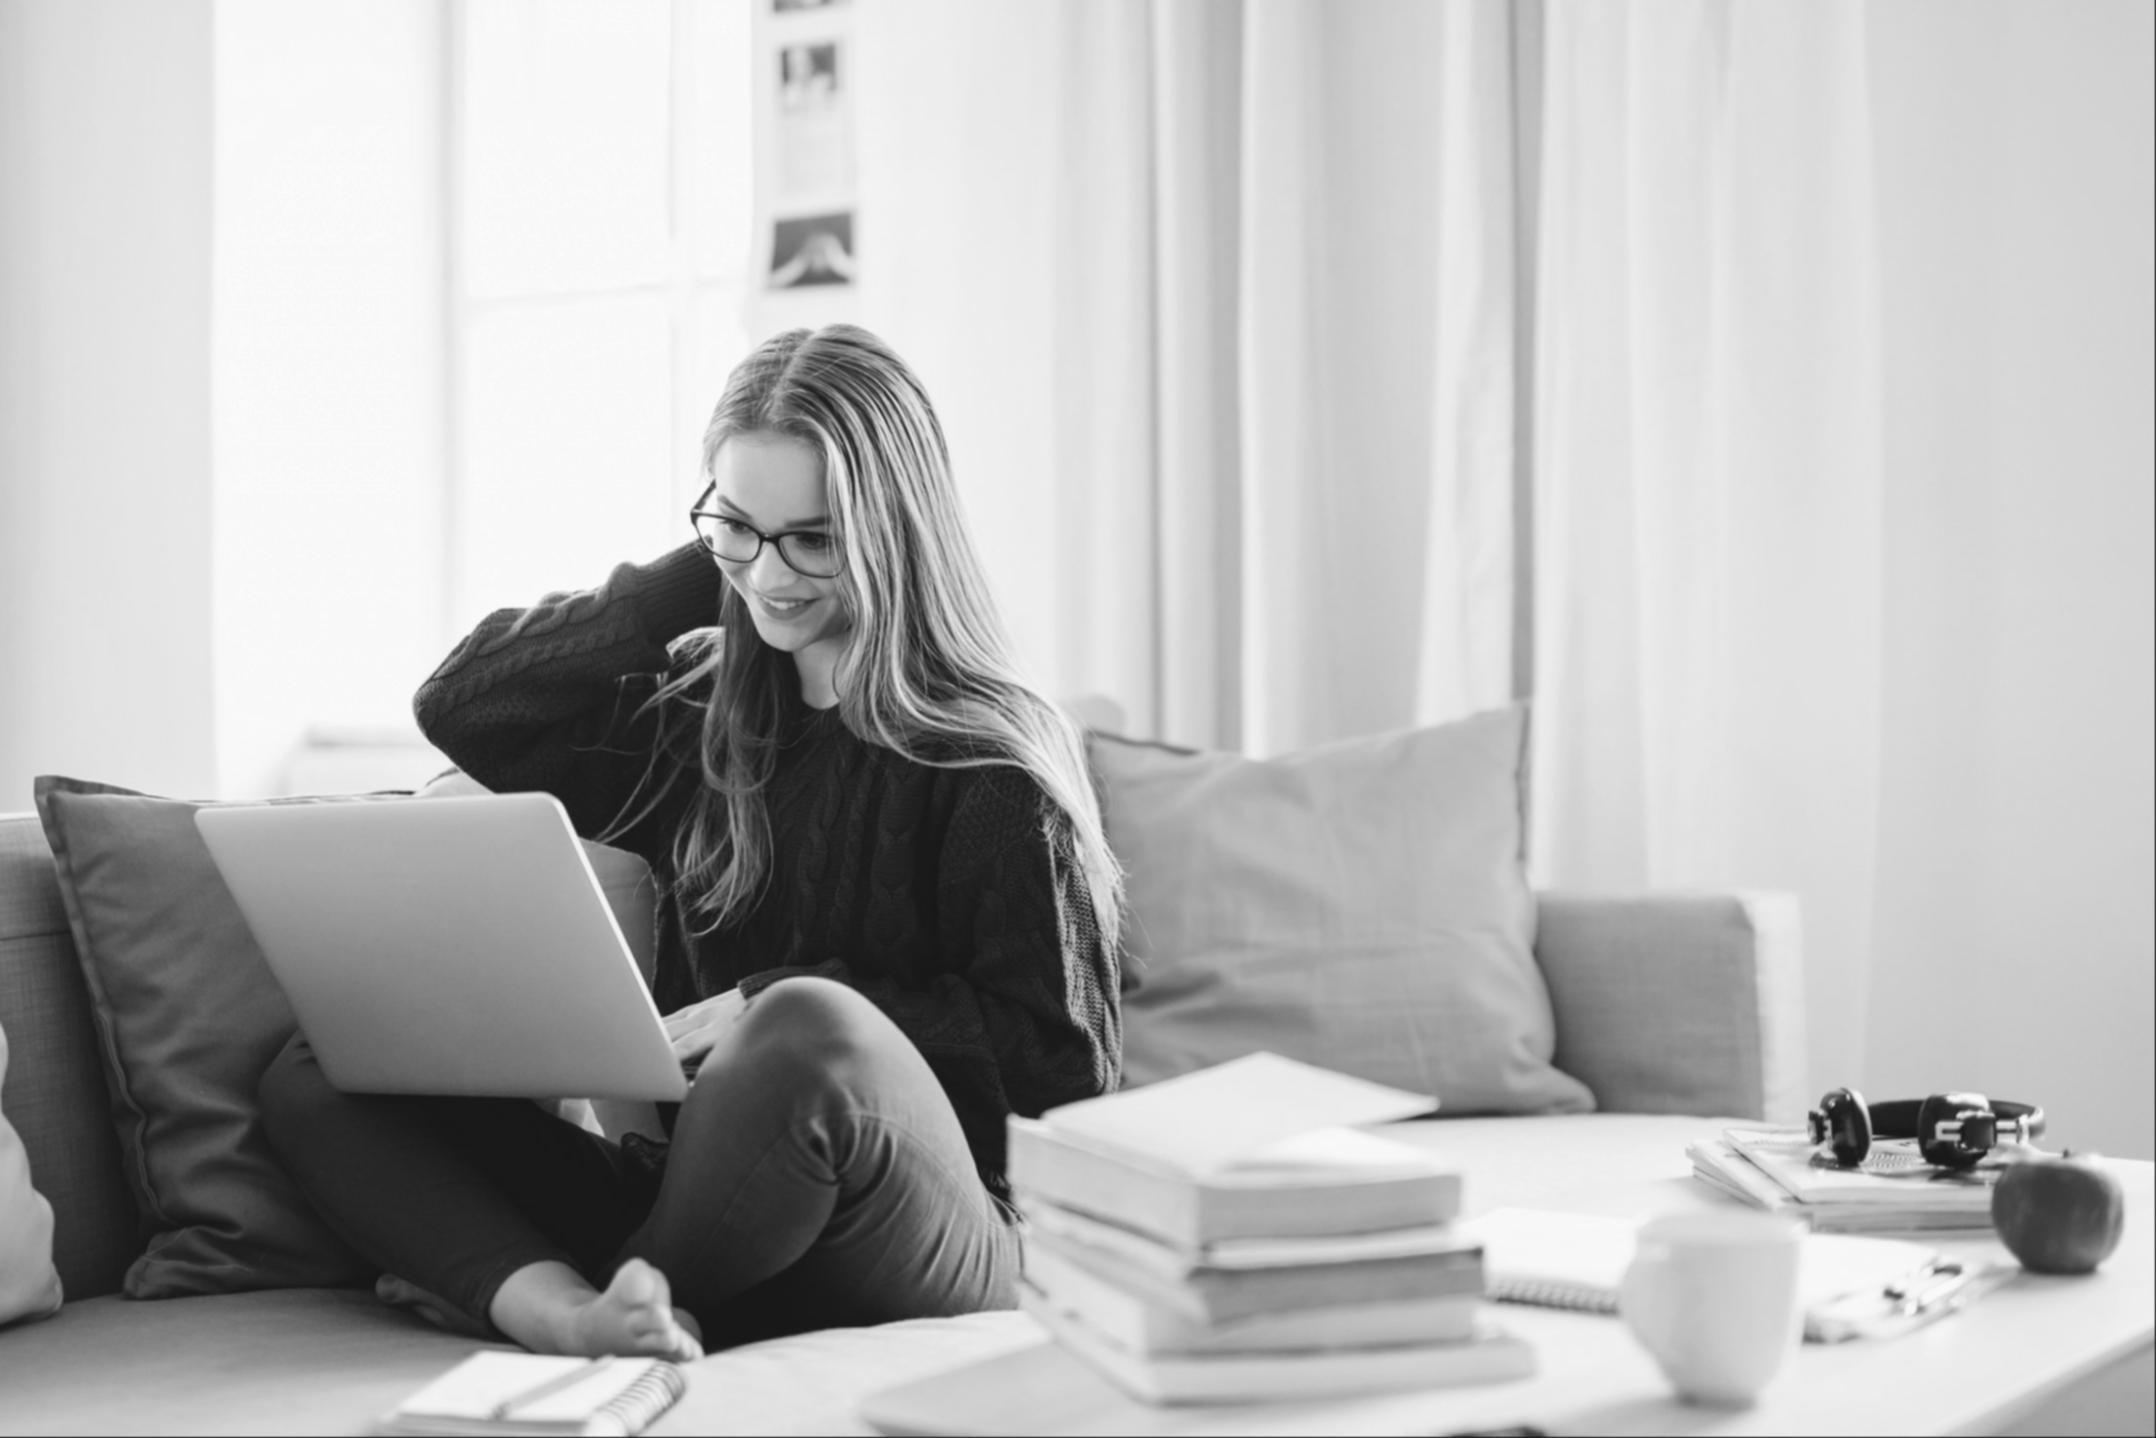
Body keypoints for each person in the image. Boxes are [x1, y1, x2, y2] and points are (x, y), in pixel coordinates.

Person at [257, 324, 1124, 1361]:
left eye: (814, 537)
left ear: (896, 530)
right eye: (737, 528)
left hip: (936, 1219)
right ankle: (573, 1312)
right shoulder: (698, 722)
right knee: (328, 1064)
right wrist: (705, 563)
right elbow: (466, 704)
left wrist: (771, 997)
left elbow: (1062, 1077)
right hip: (708, 1201)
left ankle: (632, 1288)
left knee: (807, 1028)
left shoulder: (992, 764)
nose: (773, 578)